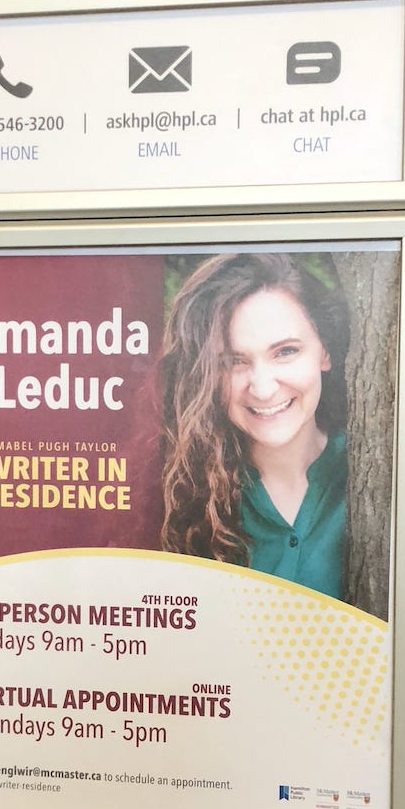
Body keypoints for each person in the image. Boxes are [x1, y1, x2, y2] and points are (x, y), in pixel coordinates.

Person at [160, 253, 350, 602]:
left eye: (285, 352)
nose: (262, 388)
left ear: (324, 351)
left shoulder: (368, 476)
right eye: (234, 362)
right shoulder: (183, 494)